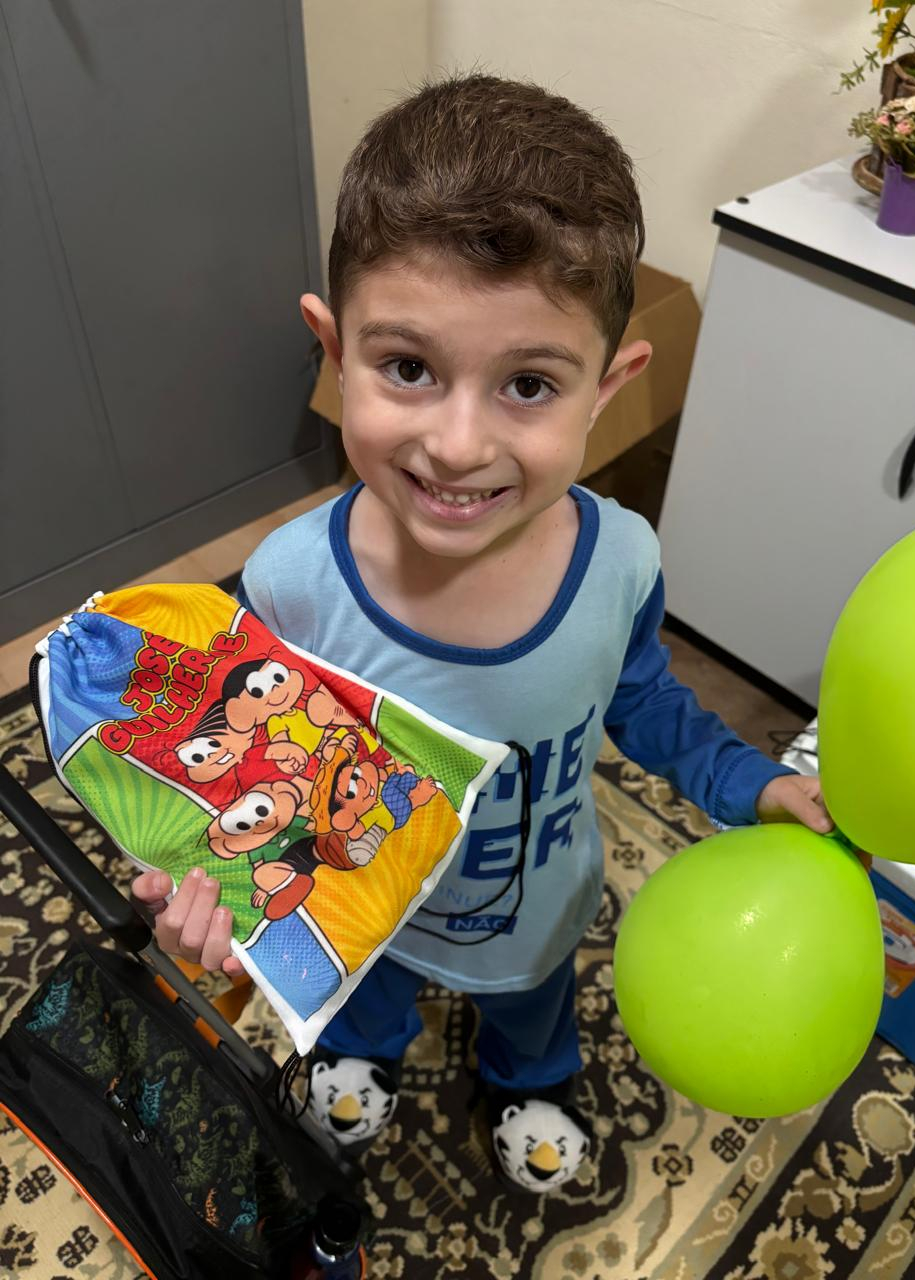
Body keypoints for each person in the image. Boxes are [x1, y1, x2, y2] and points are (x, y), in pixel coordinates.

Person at [131, 70, 865, 1193]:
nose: (459, 444)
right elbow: (250, 755)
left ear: (608, 386)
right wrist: (204, 870)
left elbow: (643, 698)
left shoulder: (621, 561)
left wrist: (751, 784)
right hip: (361, 907)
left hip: (536, 914)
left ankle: (533, 1077)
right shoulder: (289, 584)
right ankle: (364, 1050)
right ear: (334, 351)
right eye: (408, 368)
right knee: (365, 996)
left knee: (534, 1007)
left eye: (528, 384)